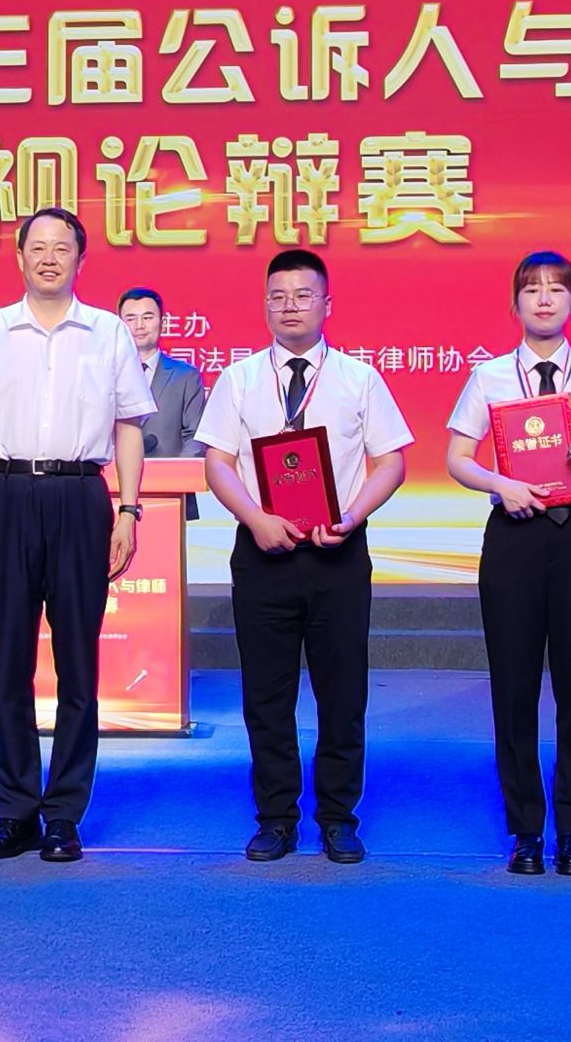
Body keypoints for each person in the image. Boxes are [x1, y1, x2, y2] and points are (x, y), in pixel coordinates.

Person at [195, 248, 411, 864]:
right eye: (278, 297)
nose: (290, 306)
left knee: (343, 693)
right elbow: (218, 463)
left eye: (303, 295)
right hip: (262, 551)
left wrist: (353, 516)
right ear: (265, 305)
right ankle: (276, 819)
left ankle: (339, 818)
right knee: (266, 695)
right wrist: (255, 519)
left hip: (337, 551)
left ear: (327, 304)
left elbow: (391, 462)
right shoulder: (238, 379)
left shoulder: (358, 378)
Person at [0, 207, 155, 863]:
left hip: (81, 496)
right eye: (37, 247)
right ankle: (14, 812)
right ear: (18, 257)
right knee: (9, 663)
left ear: (80, 259)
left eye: (61, 248)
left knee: (78, 663)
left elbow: (129, 426)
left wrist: (129, 511)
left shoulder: (108, 332)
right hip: (7, 495)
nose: (49, 258)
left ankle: (64, 815)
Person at [445, 251, 571, 878]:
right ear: (515, 304)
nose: (545, 299)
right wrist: (501, 484)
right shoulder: (491, 376)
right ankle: (525, 830)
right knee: (514, 685)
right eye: (532, 290)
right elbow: (457, 458)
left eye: (557, 290)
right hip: (515, 536)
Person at [117, 286, 208, 520]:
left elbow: (196, 436)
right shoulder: (106, 374)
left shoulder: (186, 375)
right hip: (115, 491)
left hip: (171, 494)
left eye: (147, 317)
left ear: (162, 322)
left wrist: (171, 475)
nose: (139, 325)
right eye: (131, 319)